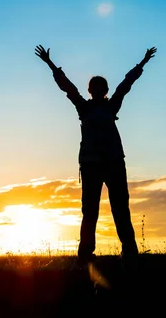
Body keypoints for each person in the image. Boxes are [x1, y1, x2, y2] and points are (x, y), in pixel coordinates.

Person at [35, 44, 157, 268]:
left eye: (101, 87)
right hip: (93, 165)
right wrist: (50, 64)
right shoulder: (84, 107)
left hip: (112, 163)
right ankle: (86, 254)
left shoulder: (111, 107)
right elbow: (68, 87)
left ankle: (129, 252)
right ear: (91, 90)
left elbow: (126, 85)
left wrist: (143, 62)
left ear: (103, 90)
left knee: (120, 209)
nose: (98, 90)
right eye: (95, 87)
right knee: (90, 211)